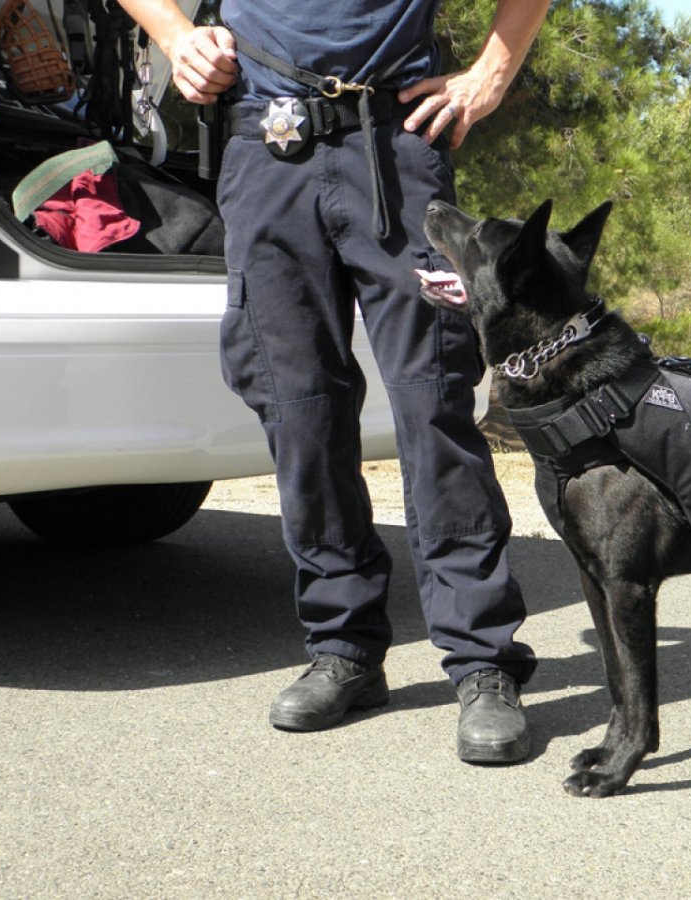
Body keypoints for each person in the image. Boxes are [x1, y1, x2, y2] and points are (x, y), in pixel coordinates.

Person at [117, 0, 549, 763]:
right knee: (299, 407)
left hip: (396, 145)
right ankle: (343, 646)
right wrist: (175, 37)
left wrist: (492, 72)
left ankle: (483, 659)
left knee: (434, 400)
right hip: (267, 145)